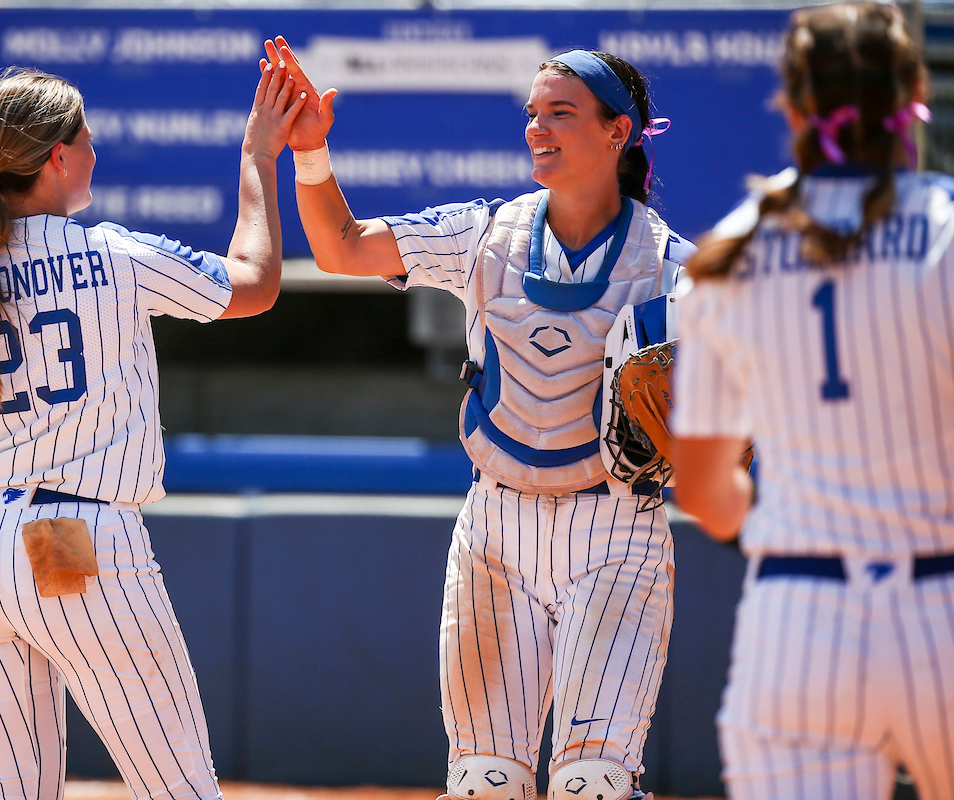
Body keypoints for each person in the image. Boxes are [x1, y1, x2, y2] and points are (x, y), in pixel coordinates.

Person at [0, 61, 304, 800]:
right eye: (86, 139)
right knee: (179, 788)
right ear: (58, 156)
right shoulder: (110, 254)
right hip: (66, 537)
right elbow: (253, 284)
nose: (94, 151)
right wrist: (257, 157)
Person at [269, 36, 691, 800]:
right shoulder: (483, 233)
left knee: (591, 783)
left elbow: (734, 430)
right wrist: (311, 152)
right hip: (498, 526)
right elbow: (338, 246)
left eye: (560, 113)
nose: (537, 128)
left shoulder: (675, 269)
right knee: (483, 784)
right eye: (532, 113)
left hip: (619, 528)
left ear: (617, 131)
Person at [673, 4, 954, 799]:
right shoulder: (945, 226)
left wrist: (783, 516)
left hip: (799, 619)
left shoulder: (731, 249)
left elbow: (704, 493)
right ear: (911, 97)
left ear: (793, 107)